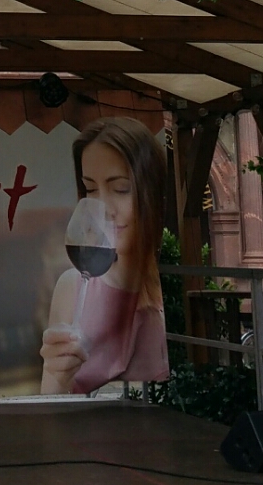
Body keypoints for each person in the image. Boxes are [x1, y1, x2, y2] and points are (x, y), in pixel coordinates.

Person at [40, 118, 170, 395]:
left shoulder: (172, 287)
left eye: (121, 189)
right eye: (90, 189)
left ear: (153, 191)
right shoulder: (72, 287)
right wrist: (56, 376)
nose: (102, 208)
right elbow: (50, 404)